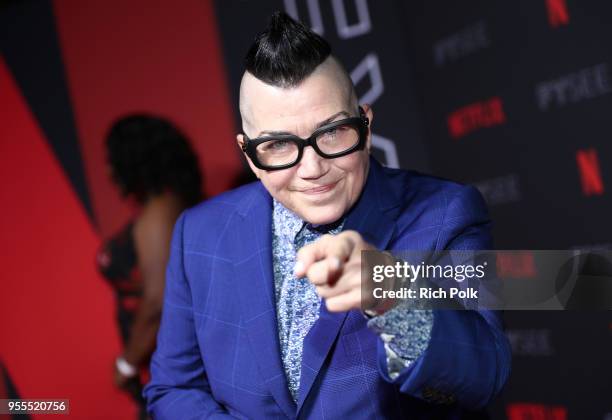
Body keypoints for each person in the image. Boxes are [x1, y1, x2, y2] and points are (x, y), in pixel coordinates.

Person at [144, 12, 511, 419]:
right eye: (280, 145)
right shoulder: (199, 234)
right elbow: (174, 388)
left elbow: (483, 376)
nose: (312, 168)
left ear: (366, 128)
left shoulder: (445, 214)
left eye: (333, 133)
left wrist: (393, 297)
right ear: (249, 154)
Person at [96, 115, 203, 418]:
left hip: (173, 372)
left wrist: (126, 363)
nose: (107, 169)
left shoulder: (159, 212)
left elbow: (159, 301)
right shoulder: (164, 207)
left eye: (111, 158)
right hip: (167, 368)